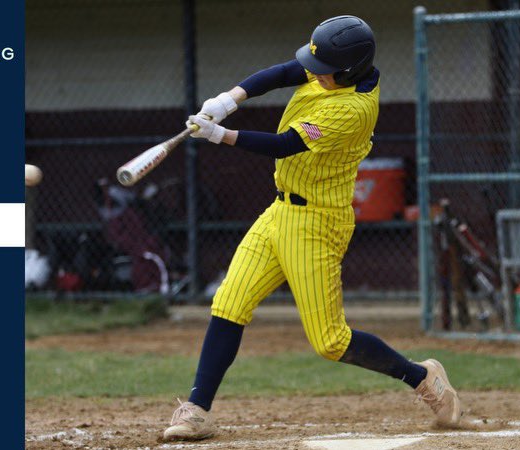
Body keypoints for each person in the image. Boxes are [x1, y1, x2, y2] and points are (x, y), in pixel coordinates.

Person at [162, 16, 462, 441]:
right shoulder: (335, 70)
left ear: (347, 71)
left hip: (318, 223)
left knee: (331, 342)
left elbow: (284, 144)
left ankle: (422, 378)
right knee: (229, 304)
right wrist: (230, 98)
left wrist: (219, 134)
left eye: (322, 70)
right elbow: (286, 71)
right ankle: (196, 409)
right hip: (279, 211)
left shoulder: (351, 109)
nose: (314, 73)